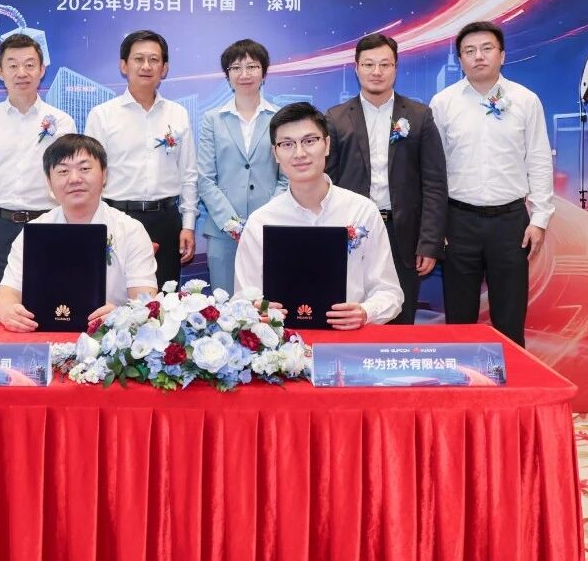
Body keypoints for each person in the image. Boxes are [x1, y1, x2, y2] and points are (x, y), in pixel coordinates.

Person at [428, 21, 554, 347]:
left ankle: (512, 379)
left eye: (487, 48)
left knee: (510, 318)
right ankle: (461, 377)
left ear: (502, 55)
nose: (478, 56)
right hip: (458, 221)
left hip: (510, 222)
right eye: (469, 51)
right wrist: (436, 223)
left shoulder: (525, 100)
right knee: (459, 318)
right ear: (460, 59)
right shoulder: (443, 103)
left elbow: (539, 159)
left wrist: (540, 219)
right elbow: (433, 168)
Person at [234, 102, 403, 328]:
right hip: (281, 343)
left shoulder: (362, 211)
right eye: (287, 144)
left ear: (327, 145)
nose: (300, 153)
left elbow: (390, 292)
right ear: (275, 153)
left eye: (309, 141)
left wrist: (365, 312)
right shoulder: (261, 221)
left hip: (349, 338)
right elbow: (242, 299)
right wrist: (255, 312)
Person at [325, 33, 447, 324]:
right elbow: (327, 183)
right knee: (351, 314)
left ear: (396, 68)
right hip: (352, 231)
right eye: (368, 64)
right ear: (356, 68)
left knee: (401, 318)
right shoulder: (335, 118)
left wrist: (429, 243)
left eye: (384, 64)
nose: (376, 71)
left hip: (403, 234)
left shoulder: (419, 116)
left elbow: (434, 184)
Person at [0, 33, 75, 320]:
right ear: (0, 72)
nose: (21, 72)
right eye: (12, 65)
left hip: (47, 225)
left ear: (42, 69)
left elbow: (71, 183)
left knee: (50, 311)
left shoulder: (62, 122)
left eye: (29, 64)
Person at [0, 134, 158, 332]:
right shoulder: (34, 231)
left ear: (104, 174)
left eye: (85, 169)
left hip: (109, 339)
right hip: (42, 337)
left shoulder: (130, 230)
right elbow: (5, 295)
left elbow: (146, 302)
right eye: (63, 171)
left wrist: (120, 316)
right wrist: (8, 312)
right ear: (49, 182)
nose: (74, 179)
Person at [84, 30, 198, 287]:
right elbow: (90, 174)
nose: (146, 66)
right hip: (116, 218)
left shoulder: (178, 114)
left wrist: (188, 225)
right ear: (123, 65)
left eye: (154, 60)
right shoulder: (102, 115)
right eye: (138, 59)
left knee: (165, 300)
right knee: (112, 294)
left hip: (165, 220)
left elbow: (188, 174)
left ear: (164, 68)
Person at [196, 39, 285, 290]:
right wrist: (231, 223)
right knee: (224, 303)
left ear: (264, 73)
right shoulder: (212, 120)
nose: (244, 74)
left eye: (252, 67)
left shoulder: (280, 118)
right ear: (227, 76)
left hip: (270, 228)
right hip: (223, 232)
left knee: (270, 303)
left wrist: (265, 217)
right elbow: (205, 178)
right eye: (236, 68)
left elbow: (286, 177)